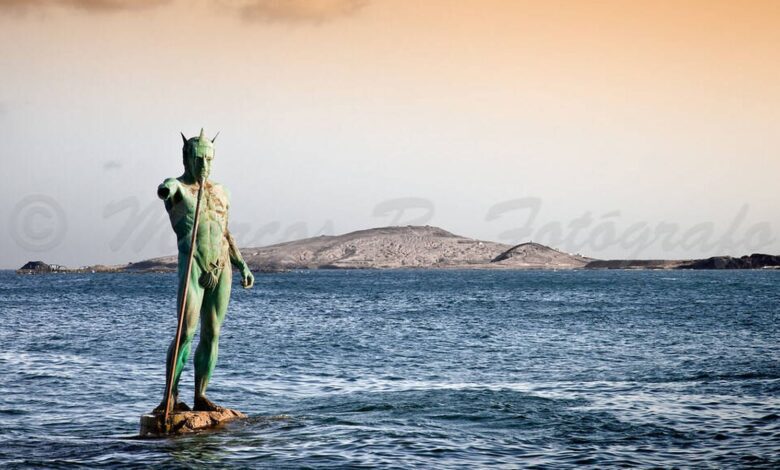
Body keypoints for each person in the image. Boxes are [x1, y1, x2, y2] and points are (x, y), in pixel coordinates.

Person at [154, 129, 254, 412]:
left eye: (208, 159)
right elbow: (167, 187)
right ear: (186, 157)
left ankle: (200, 395)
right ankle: (169, 397)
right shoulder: (179, 190)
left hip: (221, 267)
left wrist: (242, 264)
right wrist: (166, 189)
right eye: (198, 159)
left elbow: (225, 233)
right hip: (193, 268)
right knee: (185, 331)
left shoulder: (222, 192)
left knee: (213, 333)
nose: (204, 165)